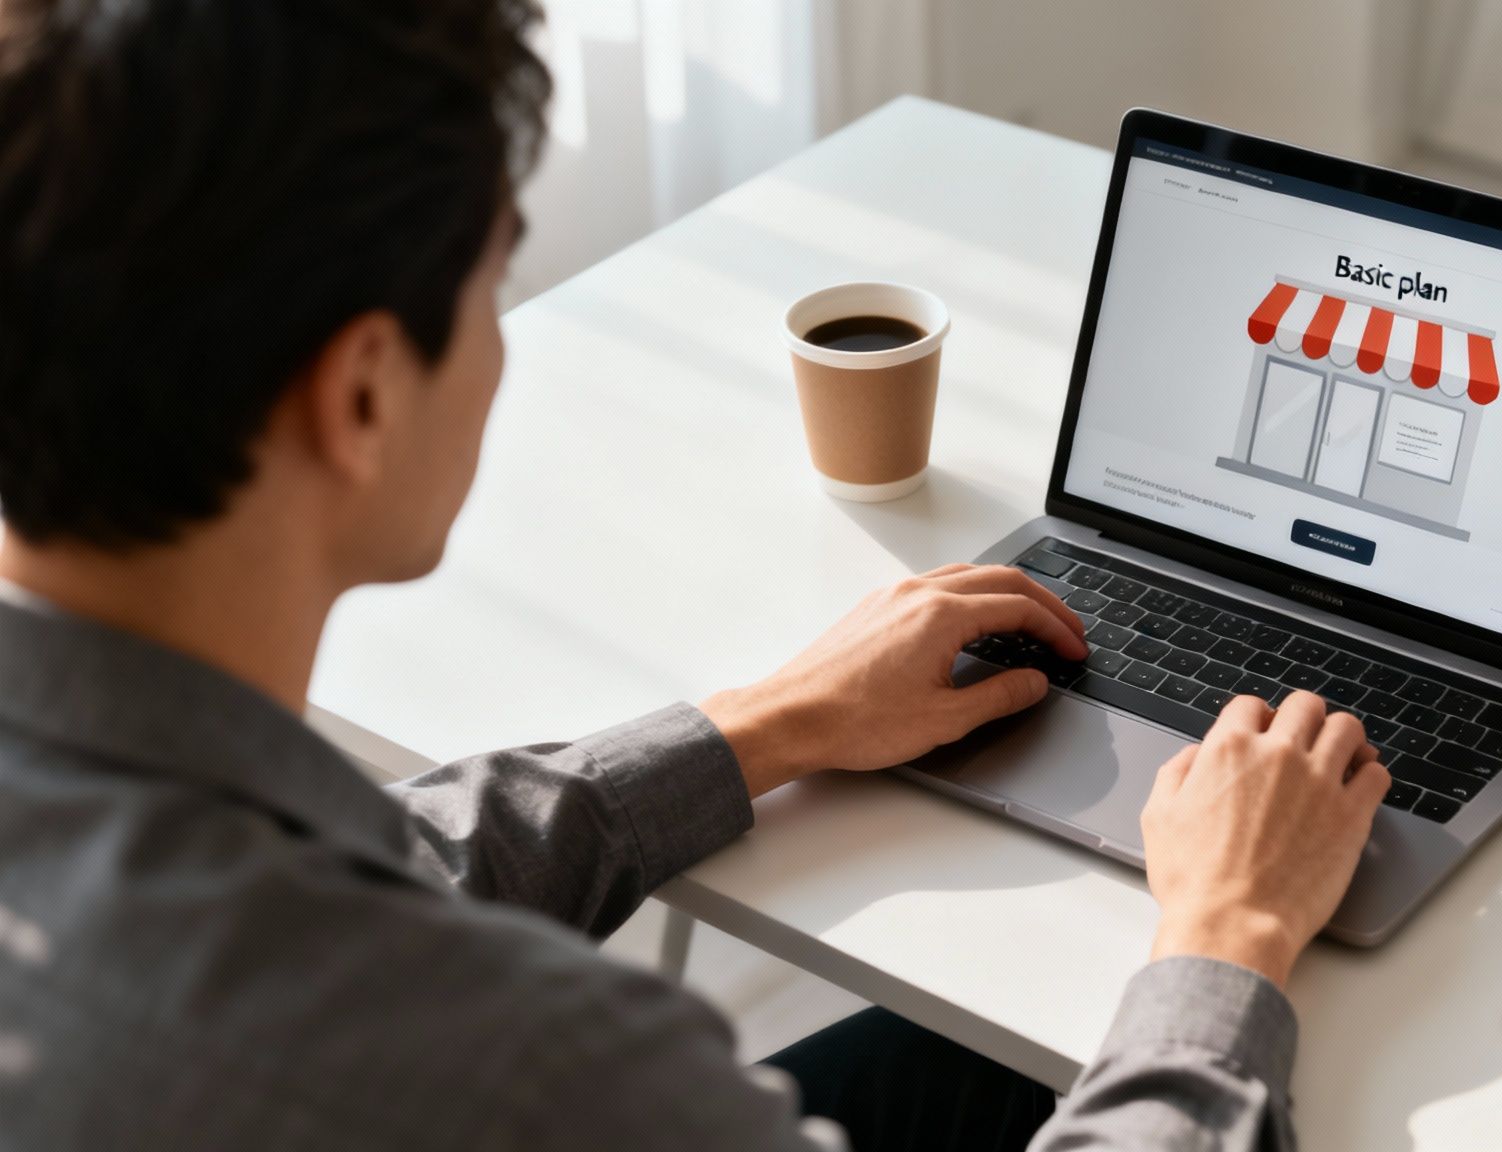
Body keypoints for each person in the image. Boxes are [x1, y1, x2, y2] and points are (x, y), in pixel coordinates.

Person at [0, 1, 1392, 1149]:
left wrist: (768, 720)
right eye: (492, 289)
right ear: (361, 393)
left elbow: (359, 875)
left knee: (969, 1055)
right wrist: (1231, 927)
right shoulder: (536, 1070)